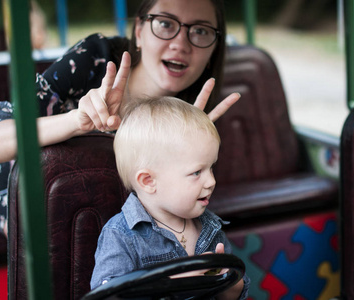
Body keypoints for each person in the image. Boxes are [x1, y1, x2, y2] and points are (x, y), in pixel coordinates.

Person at [0, 0, 240, 236]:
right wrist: (77, 122)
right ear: (139, 31)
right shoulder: (95, 59)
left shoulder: (200, 111)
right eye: (165, 24)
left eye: (200, 31)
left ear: (214, 49)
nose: (181, 44)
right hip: (35, 208)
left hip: (118, 230)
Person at [90, 96, 249, 299]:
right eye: (196, 172)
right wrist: (175, 283)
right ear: (148, 181)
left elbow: (235, 294)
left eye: (211, 168)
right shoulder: (121, 236)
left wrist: (228, 283)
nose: (211, 181)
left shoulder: (211, 227)